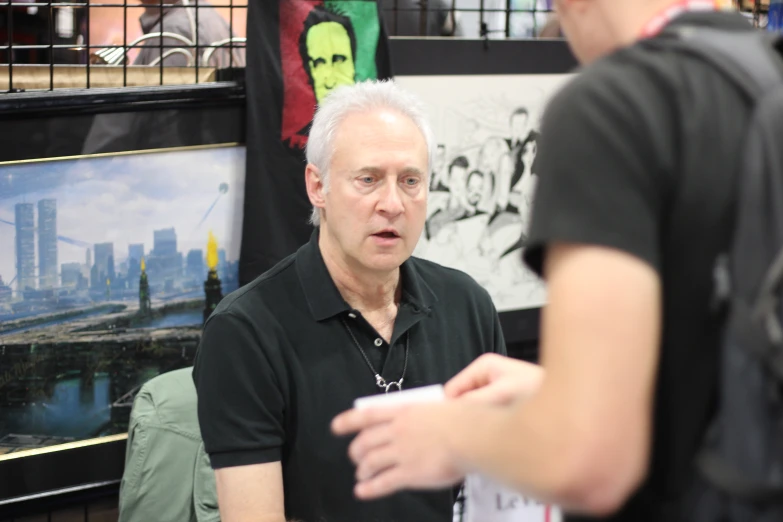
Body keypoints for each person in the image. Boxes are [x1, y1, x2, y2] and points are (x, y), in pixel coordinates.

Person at [332, 1, 758, 521]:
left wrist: (453, 434)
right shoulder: (763, 71)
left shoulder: (613, 106)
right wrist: (550, 390)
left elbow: (591, 463)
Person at [192, 79, 507, 522]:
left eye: (411, 181)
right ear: (317, 186)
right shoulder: (245, 332)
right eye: (368, 179)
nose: (393, 204)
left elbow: (499, 487)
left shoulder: (466, 305)